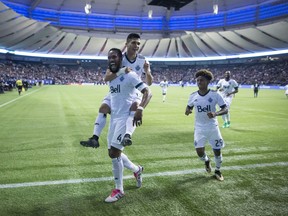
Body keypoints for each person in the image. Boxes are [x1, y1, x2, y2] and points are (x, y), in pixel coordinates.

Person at [80, 33, 153, 148]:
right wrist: (122, 71)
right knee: (103, 108)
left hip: (134, 91)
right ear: (127, 44)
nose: (136, 45)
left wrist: (147, 71)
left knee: (135, 107)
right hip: (117, 89)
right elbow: (106, 77)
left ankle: (128, 135)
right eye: (133, 42)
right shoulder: (119, 58)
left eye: (138, 43)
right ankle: (94, 138)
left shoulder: (142, 60)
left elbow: (149, 83)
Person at [104, 48, 152, 203]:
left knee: (114, 153)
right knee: (112, 152)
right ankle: (137, 170)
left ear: (120, 58)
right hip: (114, 118)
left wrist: (140, 108)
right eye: (109, 57)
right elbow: (107, 79)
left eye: (114, 57)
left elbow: (148, 92)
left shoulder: (130, 75)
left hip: (125, 119)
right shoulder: (112, 76)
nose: (112, 59)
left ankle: (119, 190)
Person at [185, 69, 228, 181]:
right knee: (199, 152)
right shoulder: (193, 95)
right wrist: (187, 111)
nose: (199, 82)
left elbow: (225, 109)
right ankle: (206, 160)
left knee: (217, 150)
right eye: (198, 80)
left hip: (213, 127)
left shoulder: (215, 95)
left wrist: (215, 113)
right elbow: (189, 107)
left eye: (202, 80)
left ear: (208, 81)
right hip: (199, 128)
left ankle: (218, 170)